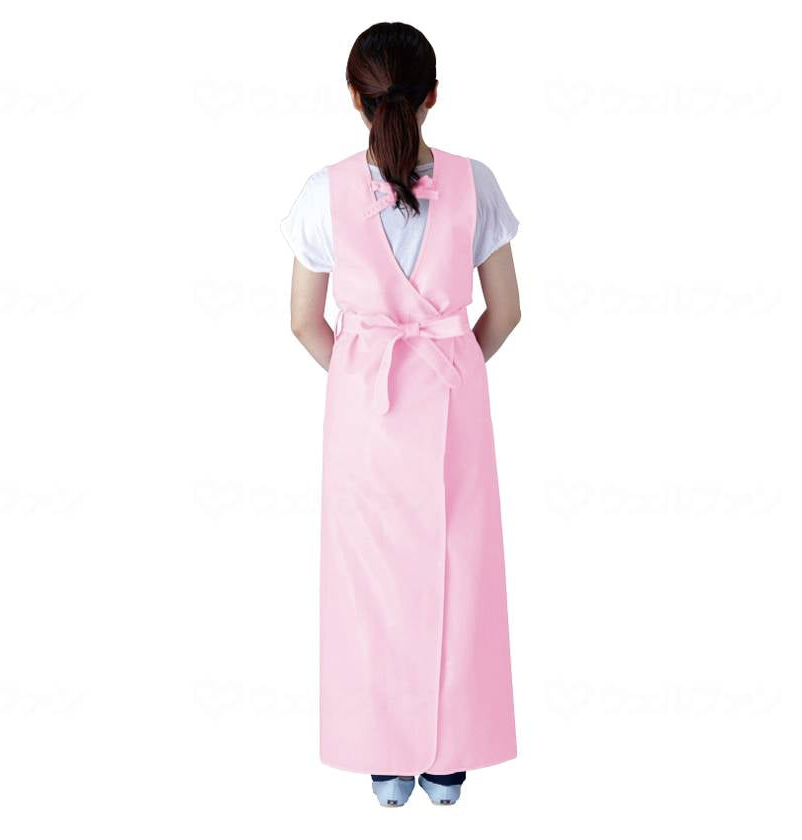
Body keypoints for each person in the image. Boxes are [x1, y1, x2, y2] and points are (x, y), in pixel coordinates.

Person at [281, 21, 522, 808]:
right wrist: (444, 375)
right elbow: (506, 311)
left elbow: (304, 322)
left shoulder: (321, 193)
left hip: (365, 414)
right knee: (460, 569)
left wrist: (366, 379)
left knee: (371, 579)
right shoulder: (477, 182)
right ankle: (449, 759)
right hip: (454, 401)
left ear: (356, 99)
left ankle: (385, 756)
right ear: (433, 97)